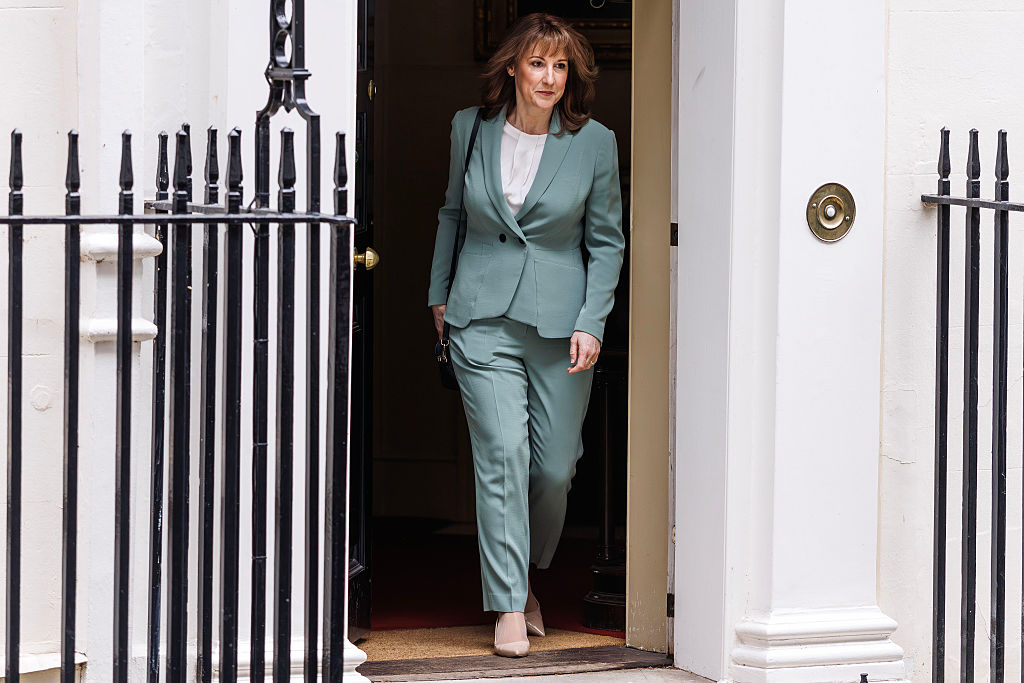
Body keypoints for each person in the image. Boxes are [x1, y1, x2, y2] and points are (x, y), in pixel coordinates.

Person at [427, 12, 624, 658]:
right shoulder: (470, 128)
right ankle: (510, 603)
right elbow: (452, 213)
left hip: (561, 327)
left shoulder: (594, 143)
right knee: (503, 454)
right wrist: (438, 293)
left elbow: (606, 241)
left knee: (554, 469)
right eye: (537, 63)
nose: (549, 77)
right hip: (480, 318)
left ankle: (525, 571)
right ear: (512, 66)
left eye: (560, 66)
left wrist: (593, 321)